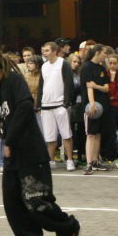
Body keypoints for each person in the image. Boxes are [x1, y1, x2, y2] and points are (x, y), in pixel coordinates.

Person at [0, 49, 80, 236]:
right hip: (13, 156)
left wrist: (10, 141)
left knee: (36, 201)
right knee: (12, 203)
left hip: (29, 152)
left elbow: (25, 107)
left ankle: (68, 227)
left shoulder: (14, 81)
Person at [38, 42, 75, 172]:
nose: (44, 53)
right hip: (46, 106)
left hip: (60, 105)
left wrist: (66, 103)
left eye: (47, 50)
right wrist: (39, 105)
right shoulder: (44, 66)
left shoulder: (63, 63)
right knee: (50, 138)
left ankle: (69, 160)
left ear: (54, 51)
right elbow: (41, 86)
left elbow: (68, 83)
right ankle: (50, 161)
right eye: (44, 50)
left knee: (66, 135)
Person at [81, 44, 114, 173]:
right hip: (92, 106)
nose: (106, 55)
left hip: (103, 105)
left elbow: (106, 88)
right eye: (104, 53)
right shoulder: (86, 66)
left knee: (98, 133)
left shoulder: (102, 68)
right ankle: (89, 163)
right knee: (91, 134)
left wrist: (97, 86)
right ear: (97, 52)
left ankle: (95, 161)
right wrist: (92, 103)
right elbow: (89, 86)